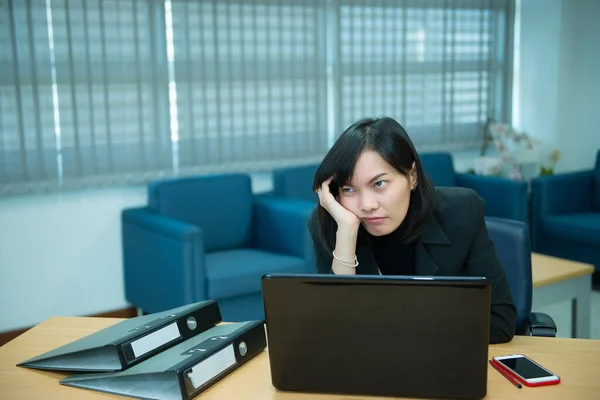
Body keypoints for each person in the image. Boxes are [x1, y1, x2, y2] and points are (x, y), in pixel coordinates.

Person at [309, 117, 517, 344]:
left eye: (379, 184)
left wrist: (403, 331)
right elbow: (336, 330)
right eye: (349, 189)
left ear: (412, 177)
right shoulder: (333, 223)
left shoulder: (461, 212)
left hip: (441, 364)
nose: (367, 205)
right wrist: (347, 234)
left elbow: (499, 321)